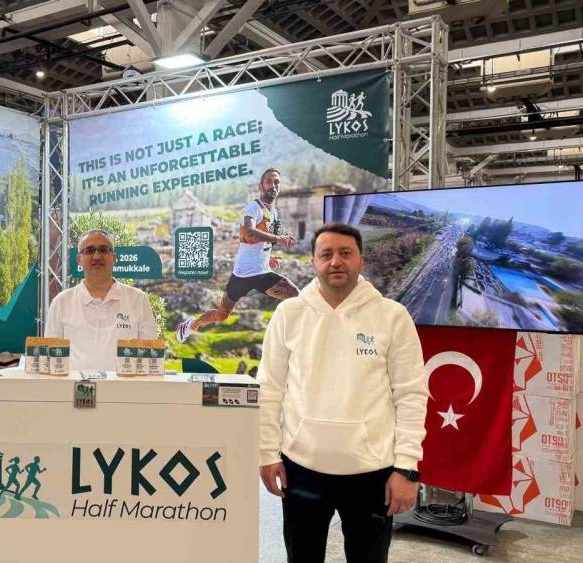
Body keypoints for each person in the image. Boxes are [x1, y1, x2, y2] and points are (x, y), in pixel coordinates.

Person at [257, 223, 427, 563]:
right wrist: (266, 453)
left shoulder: (392, 317)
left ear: (361, 260)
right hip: (301, 468)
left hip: (372, 473)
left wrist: (407, 468)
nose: (335, 261)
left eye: (345, 253)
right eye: (326, 254)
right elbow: (269, 388)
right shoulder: (289, 314)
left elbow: (411, 395)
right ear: (313, 262)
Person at [176, 168, 298, 342]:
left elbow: (262, 242)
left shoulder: (276, 213)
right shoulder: (253, 207)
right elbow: (250, 230)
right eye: (269, 182)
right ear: (261, 186)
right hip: (242, 275)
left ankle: (291, 338)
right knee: (222, 314)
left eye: (276, 182)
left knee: (295, 295)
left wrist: (267, 257)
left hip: (262, 273)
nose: (273, 185)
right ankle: (191, 325)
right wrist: (278, 239)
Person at [44, 229, 158, 371]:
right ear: (79, 259)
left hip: (125, 385)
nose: (97, 256)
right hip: (74, 385)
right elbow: (51, 357)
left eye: (103, 250)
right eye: (89, 250)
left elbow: (150, 355)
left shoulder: (138, 300)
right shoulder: (61, 302)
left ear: (113, 258)